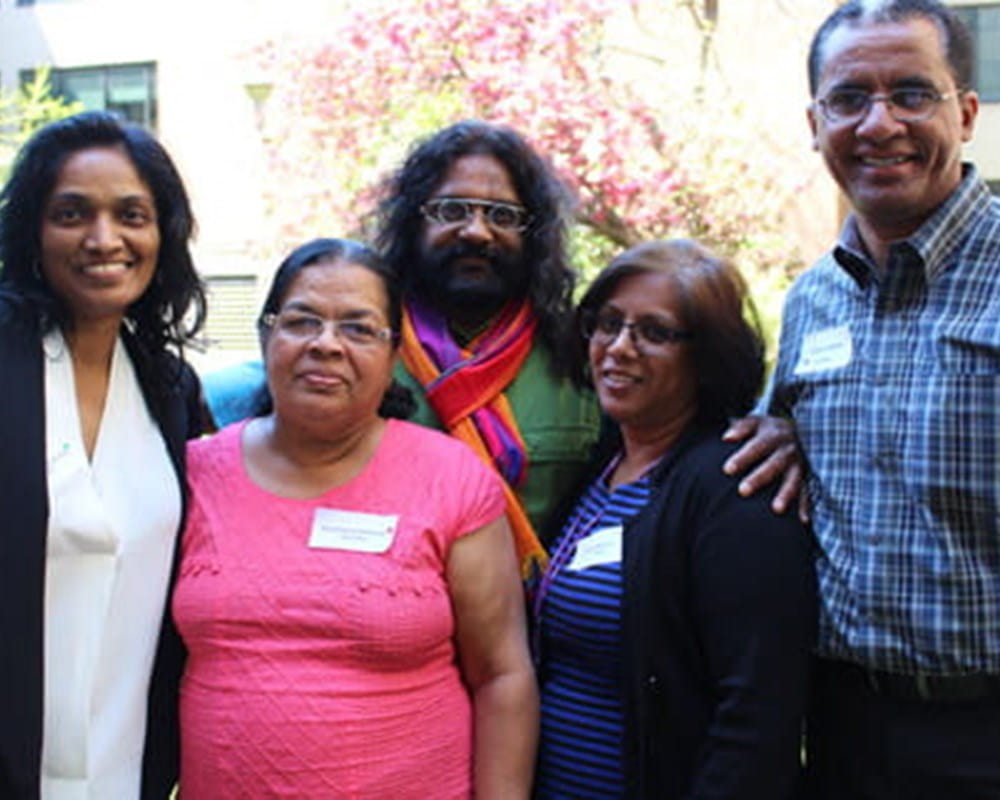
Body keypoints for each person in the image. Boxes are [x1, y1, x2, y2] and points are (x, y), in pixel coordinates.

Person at [173, 238, 537, 799]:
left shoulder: (450, 478)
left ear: (393, 358)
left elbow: (502, 676)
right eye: (301, 321)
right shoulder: (193, 476)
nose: (326, 344)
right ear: (266, 335)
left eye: (358, 328)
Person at [759, 2, 1000, 796]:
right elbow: (782, 442)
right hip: (844, 732)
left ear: (965, 113)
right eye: (849, 98)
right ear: (815, 120)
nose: (879, 123)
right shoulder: (810, 302)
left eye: (911, 94)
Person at [203, 121, 602, 579]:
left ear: (535, 234)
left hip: (530, 627)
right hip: (385, 621)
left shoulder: (581, 361)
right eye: (451, 210)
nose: (476, 231)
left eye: (502, 215)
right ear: (413, 221)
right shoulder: (359, 351)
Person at [533, 240, 815, 799]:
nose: (618, 348)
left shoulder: (736, 489)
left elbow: (758, 715)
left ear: (707, 357)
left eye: (654, 333)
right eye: (606, 323)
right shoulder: (603, 465)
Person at [0, 111, 206, 799]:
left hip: (126, 769)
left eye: (131, 214)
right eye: (71, 213)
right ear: (32, 229)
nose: (103, 238)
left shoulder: (171, 391)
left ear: (162, 233)